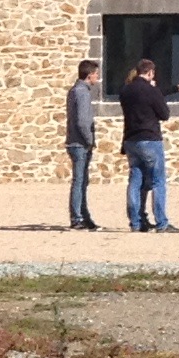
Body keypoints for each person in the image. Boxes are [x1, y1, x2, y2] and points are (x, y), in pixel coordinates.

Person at [119, 56, 172, 233]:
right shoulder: (151, 90)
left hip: (131, 139)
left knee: (135, 180)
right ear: (150, 72)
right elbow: (164, 114)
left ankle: (135, 222)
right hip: (150, 138)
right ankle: (161, 222)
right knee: (158, 181)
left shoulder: (126, 90)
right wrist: (156, 92)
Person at [63, 59, 102, 230]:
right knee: (79, 181)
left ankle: (83, 215)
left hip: (76, 142)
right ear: (89, 74)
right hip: (79, 144)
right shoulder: (82, 93)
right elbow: (82, 121)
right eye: (96, 74)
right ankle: (77, 217)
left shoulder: (75, 91)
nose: (97, 77)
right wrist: (89, 141)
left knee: (82, 181)